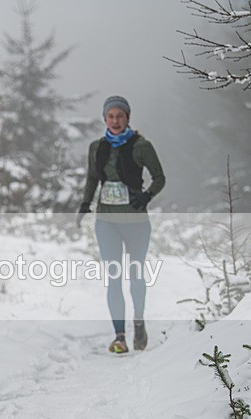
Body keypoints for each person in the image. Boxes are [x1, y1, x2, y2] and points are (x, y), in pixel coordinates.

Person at [76, 95, 166, 354]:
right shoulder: (97, 147)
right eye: (111, 116)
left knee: (135, 275)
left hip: (136, 220)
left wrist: (146, 196)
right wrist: (85, 205)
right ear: (104, 118)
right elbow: (92, 179)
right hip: (106, 221)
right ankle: (120, 336)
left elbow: (160, 177)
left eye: (120, 116)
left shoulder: (142, 146)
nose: (115, 121)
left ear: (127, 118)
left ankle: (138, 321)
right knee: (113, 278)